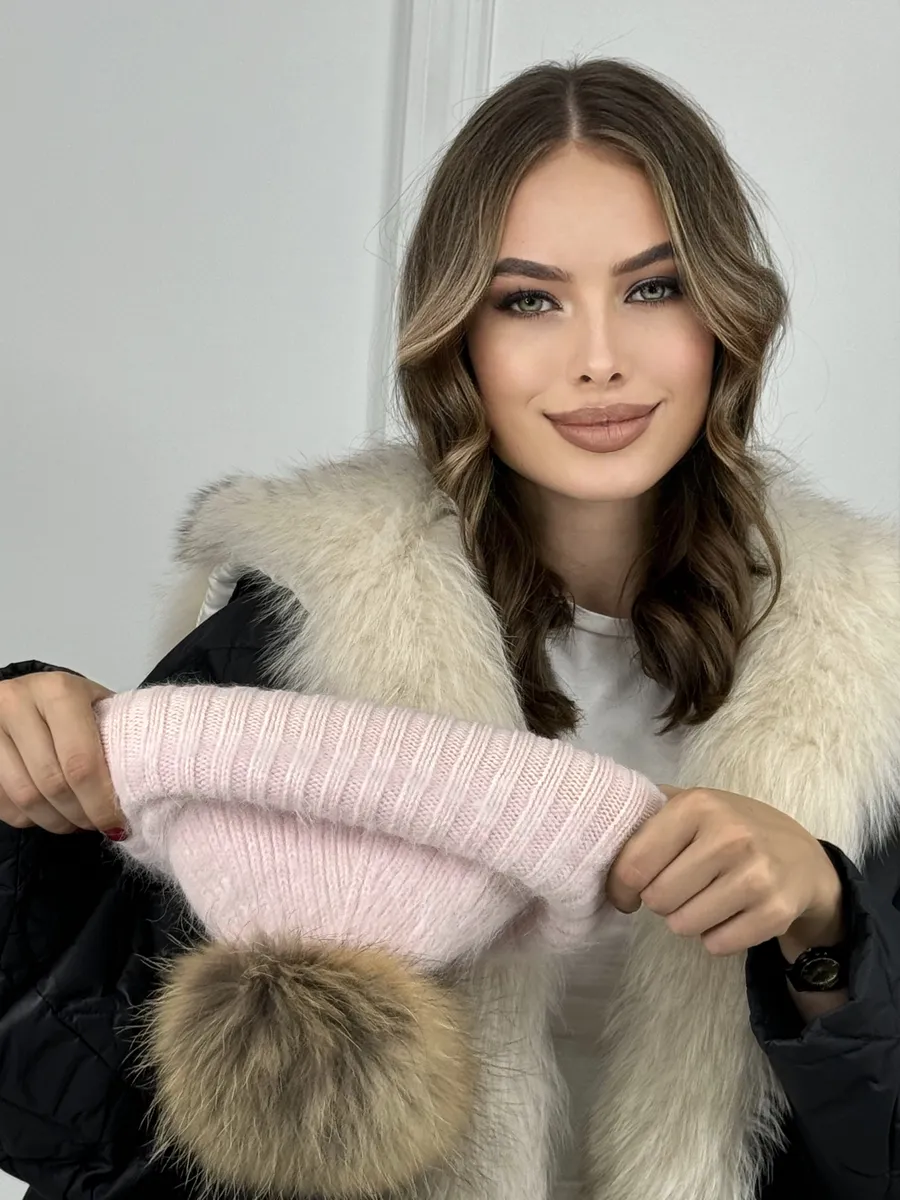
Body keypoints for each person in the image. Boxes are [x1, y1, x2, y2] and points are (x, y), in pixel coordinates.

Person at [1, 54, 898, 1200]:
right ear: (458, 336)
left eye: (653, 289)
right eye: (529, 300)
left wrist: (822, 924)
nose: (599, 358)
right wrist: (31, 770)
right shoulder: (299, 622)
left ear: (725, 314)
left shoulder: (866, 657)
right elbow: (79, 1125)